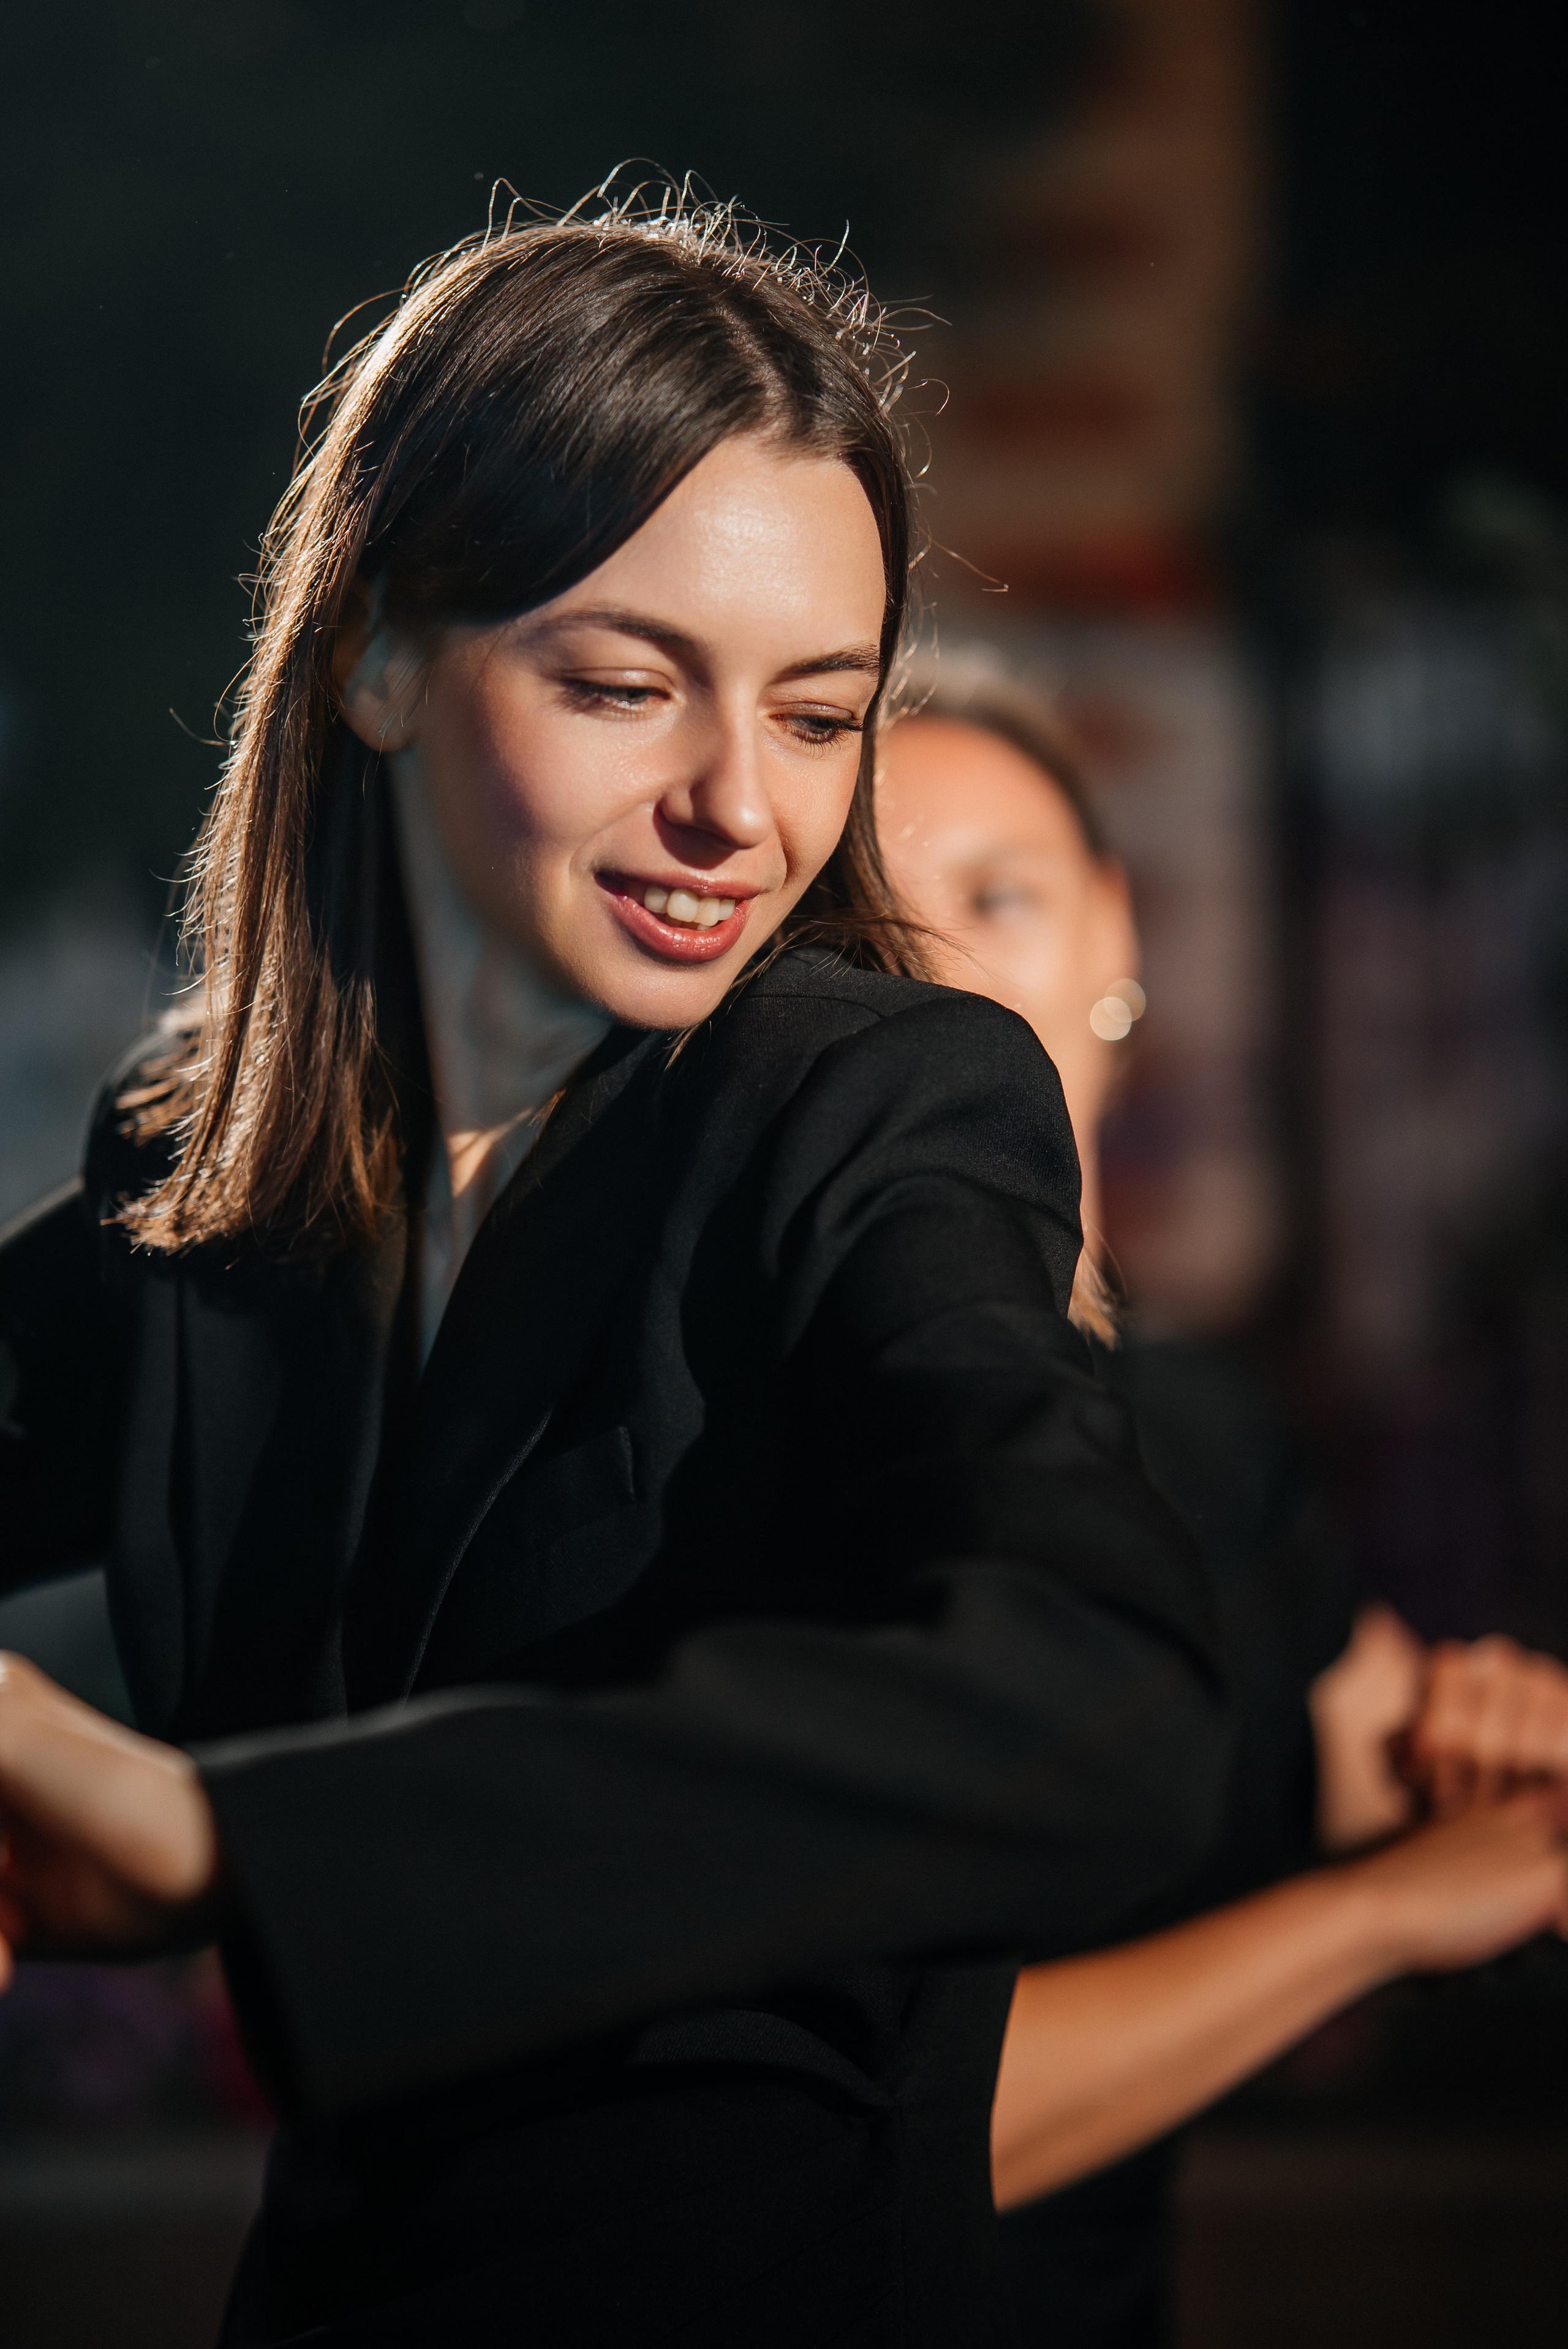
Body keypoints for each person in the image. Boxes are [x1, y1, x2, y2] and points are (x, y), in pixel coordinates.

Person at [0, 194, 1241, 2348]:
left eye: (819, 714)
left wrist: (233, 1846)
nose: (737, 806)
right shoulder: (211, 1178)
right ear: (378, 658)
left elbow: (1102, 1693)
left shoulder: (875, 1102)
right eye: (626, 684)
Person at [876, 669, 1568, 2345]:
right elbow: (838, 2133)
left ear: (1112, 931)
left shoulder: (1199, 1435)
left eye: (999, 898)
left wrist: (1499, 1749)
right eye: (869, 934)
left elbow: (1378, 1745)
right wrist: (1374, 1915)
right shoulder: (761, 1455)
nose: (945, 979)